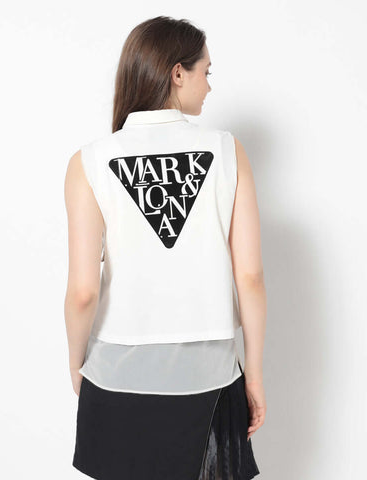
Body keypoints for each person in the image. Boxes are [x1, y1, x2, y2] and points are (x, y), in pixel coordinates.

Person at [64, 15, 266, 480]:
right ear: (178, 73)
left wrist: (77, 364)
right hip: (212, 377)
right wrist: (253, 376)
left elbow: (82, 292)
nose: (209, 86)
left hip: (116, 375)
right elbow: (250, 277)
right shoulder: (227, 151)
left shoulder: (89, 161)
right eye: (206, 72)